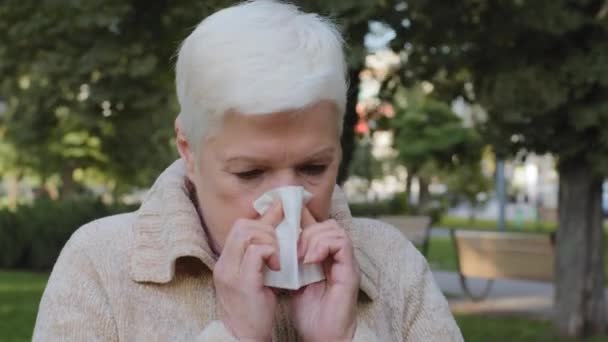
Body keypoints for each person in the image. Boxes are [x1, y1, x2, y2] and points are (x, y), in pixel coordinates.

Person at [33, 1, 463, 341]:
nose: (286, 202)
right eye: (250, 173)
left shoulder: (393, 265)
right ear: (189, 150)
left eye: (314, 167)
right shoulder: (100, 264)